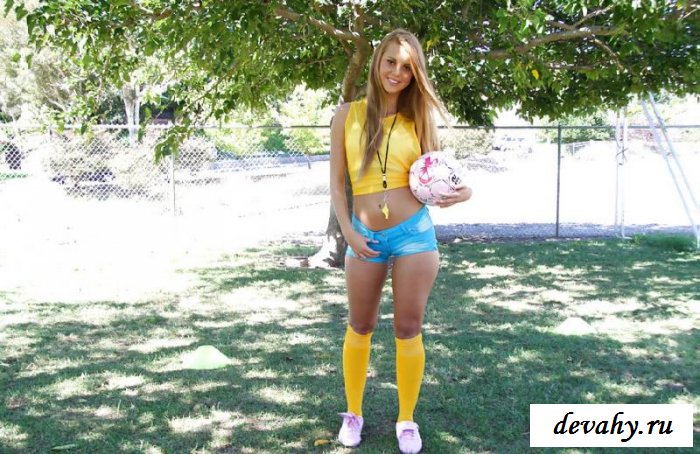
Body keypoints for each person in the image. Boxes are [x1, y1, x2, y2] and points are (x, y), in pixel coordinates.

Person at [329, 29, 472, 453]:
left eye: (407, 67)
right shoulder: (347, 115)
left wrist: (463, 192)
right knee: (360, 324)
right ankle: (353, 413)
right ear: (378, 62)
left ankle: (406, 420)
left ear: (415, 74)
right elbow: (336, 185)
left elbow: (441, 171)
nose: (397, 72)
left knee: (408, 328)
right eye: (390, 62)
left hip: (414, 235)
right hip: (363, 235)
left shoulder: (418, 117)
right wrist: (349, 231)